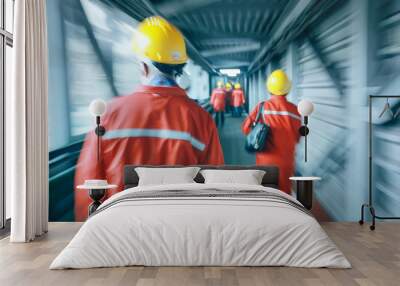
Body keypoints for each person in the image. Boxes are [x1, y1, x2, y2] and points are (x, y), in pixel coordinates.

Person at [74, 16, 224, 221]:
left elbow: (90, 183)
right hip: (179, 226)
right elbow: (214, 183)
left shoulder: (109, 114)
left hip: (118, 226)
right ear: (179, 68)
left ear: (143, 67)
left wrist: (88, 231)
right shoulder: (200, 118)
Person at [242, 69, 301, 194]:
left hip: (265, 161)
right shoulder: (296, 111)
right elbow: (298, 138)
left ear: (269, 88)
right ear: (287, 88)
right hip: (287, 162)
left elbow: (246, 129)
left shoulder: (262, 107)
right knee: (285, 194)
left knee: (266, 194)